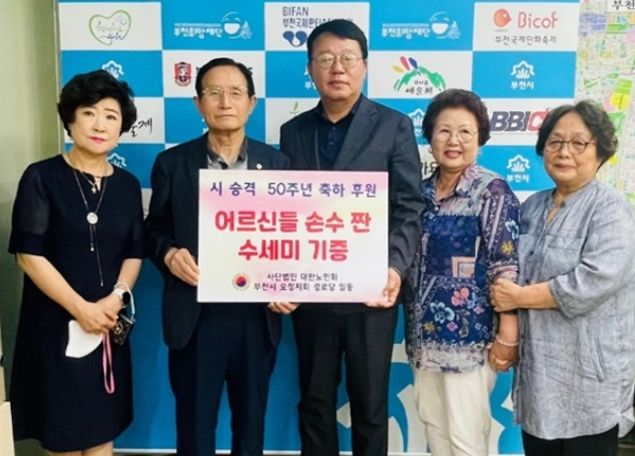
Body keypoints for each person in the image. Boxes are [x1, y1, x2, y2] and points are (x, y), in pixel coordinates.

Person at [271, 19, 425, 455]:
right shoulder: (293, 132)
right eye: (325, 59)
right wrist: (277, 276)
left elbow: (409, 205)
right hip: (312, 292)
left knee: (370, 405)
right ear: (310, 69)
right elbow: (283, 212)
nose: (336, 68)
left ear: (364, 66)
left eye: (347, 58)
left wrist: (394, 267)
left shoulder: (393, 126)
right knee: (314, 401)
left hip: (371, 293)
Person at [144, 57, 289, 456]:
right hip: (195, 315)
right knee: (194, 428)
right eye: (214, 92)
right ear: (198, 103)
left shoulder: (277, 165)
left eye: (236, 92)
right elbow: (154, 229)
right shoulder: (172, 164)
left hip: (256, 316)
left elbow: (293, 236)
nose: (225, 102)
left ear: (251, 103)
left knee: (251, 428)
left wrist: (288, 281)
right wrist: (169, 253)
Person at [8, 70, 143, 455]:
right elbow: (28, 255)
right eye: (89, 113)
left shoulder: (128, 185)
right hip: (55, 327)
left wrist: (115, 299)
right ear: (70, 118)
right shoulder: (41, 177)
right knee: (63, 437)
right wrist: (81, 308)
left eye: (111, 116)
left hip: (107, 323)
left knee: (102, 434)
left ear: (122, 126)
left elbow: (135, 252)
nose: (100, 124)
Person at [490, 100, 635, 456]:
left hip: (589, 377)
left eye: (578, 143)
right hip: (539, 375)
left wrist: (518, 297)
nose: (564, 152)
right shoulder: (531, 207)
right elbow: (507, 267)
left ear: (600, 151)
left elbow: (593, 281)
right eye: (555, 142)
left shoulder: (611, 210)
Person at [403, 89, 520, 456]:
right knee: (436, 434)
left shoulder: (491, 191)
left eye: (465, 132)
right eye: (444, 131)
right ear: (430, 137)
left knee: (466, 440)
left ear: (480, 138)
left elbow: (505, 265)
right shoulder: (418, 193)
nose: (454, 141)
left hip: (469, 343)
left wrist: (508, 332)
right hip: (423, 340)